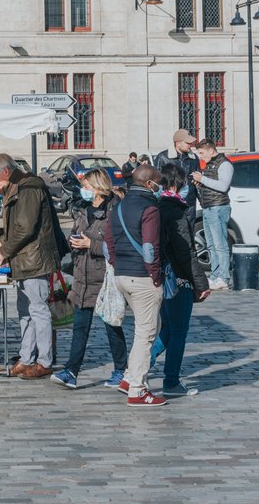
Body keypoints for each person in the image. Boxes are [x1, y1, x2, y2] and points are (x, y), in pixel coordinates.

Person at [0, 154, 63, 379]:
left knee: (38, 310)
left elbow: (26, 228)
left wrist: (4, 251)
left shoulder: (28, 188)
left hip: (34, 259)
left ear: (5, 172)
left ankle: (44, 361)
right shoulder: (17, 187)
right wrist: (1, 239)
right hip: (24, 259)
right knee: (25, 311)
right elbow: (18, 226)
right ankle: (26, 358)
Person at [51, 168, 128, 390]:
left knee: (112, 327)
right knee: (80, 327)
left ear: (96, 188)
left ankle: (120, 370)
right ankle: (71, 371)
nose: (83, 190)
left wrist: (90, 245)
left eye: (86, 186)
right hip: (82, 276)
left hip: (104, 278)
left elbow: (117, 246)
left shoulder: (115, 211)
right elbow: (76, 232)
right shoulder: (83, 209)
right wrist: (73, 243)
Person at [104, 163, 166, 407]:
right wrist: (155, 275)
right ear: (150, 184)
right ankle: (137, 391)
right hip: (142, 276)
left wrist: (117, 263)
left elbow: (108, 241)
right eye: (158, 182)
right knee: (146, 333)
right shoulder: (150, 207)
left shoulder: (118, 206)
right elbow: (151, 247)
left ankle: (129, 378)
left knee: (150, 326)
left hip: (122, 274)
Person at [152, 158, 211, 397]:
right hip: (178, 279)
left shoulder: (156, 207)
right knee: (178, 332)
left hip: (163, 277)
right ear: (177, 185)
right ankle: (171, 381)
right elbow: (186, 251)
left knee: (167, 329)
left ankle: (136, 369)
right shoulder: (176, 212)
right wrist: (201, 283)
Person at [192, 139, 232, 292]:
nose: (201, 157)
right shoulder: (210, 164)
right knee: (211, 245)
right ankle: (215, 276)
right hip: (208, 207)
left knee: (220, 244)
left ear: (210, 150)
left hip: (218, 207)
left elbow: (223, 186)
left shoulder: (224, 164)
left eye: (202, 153)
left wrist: (202, 179)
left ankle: (223, 277)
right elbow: (212, 184)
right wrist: (201, 184)